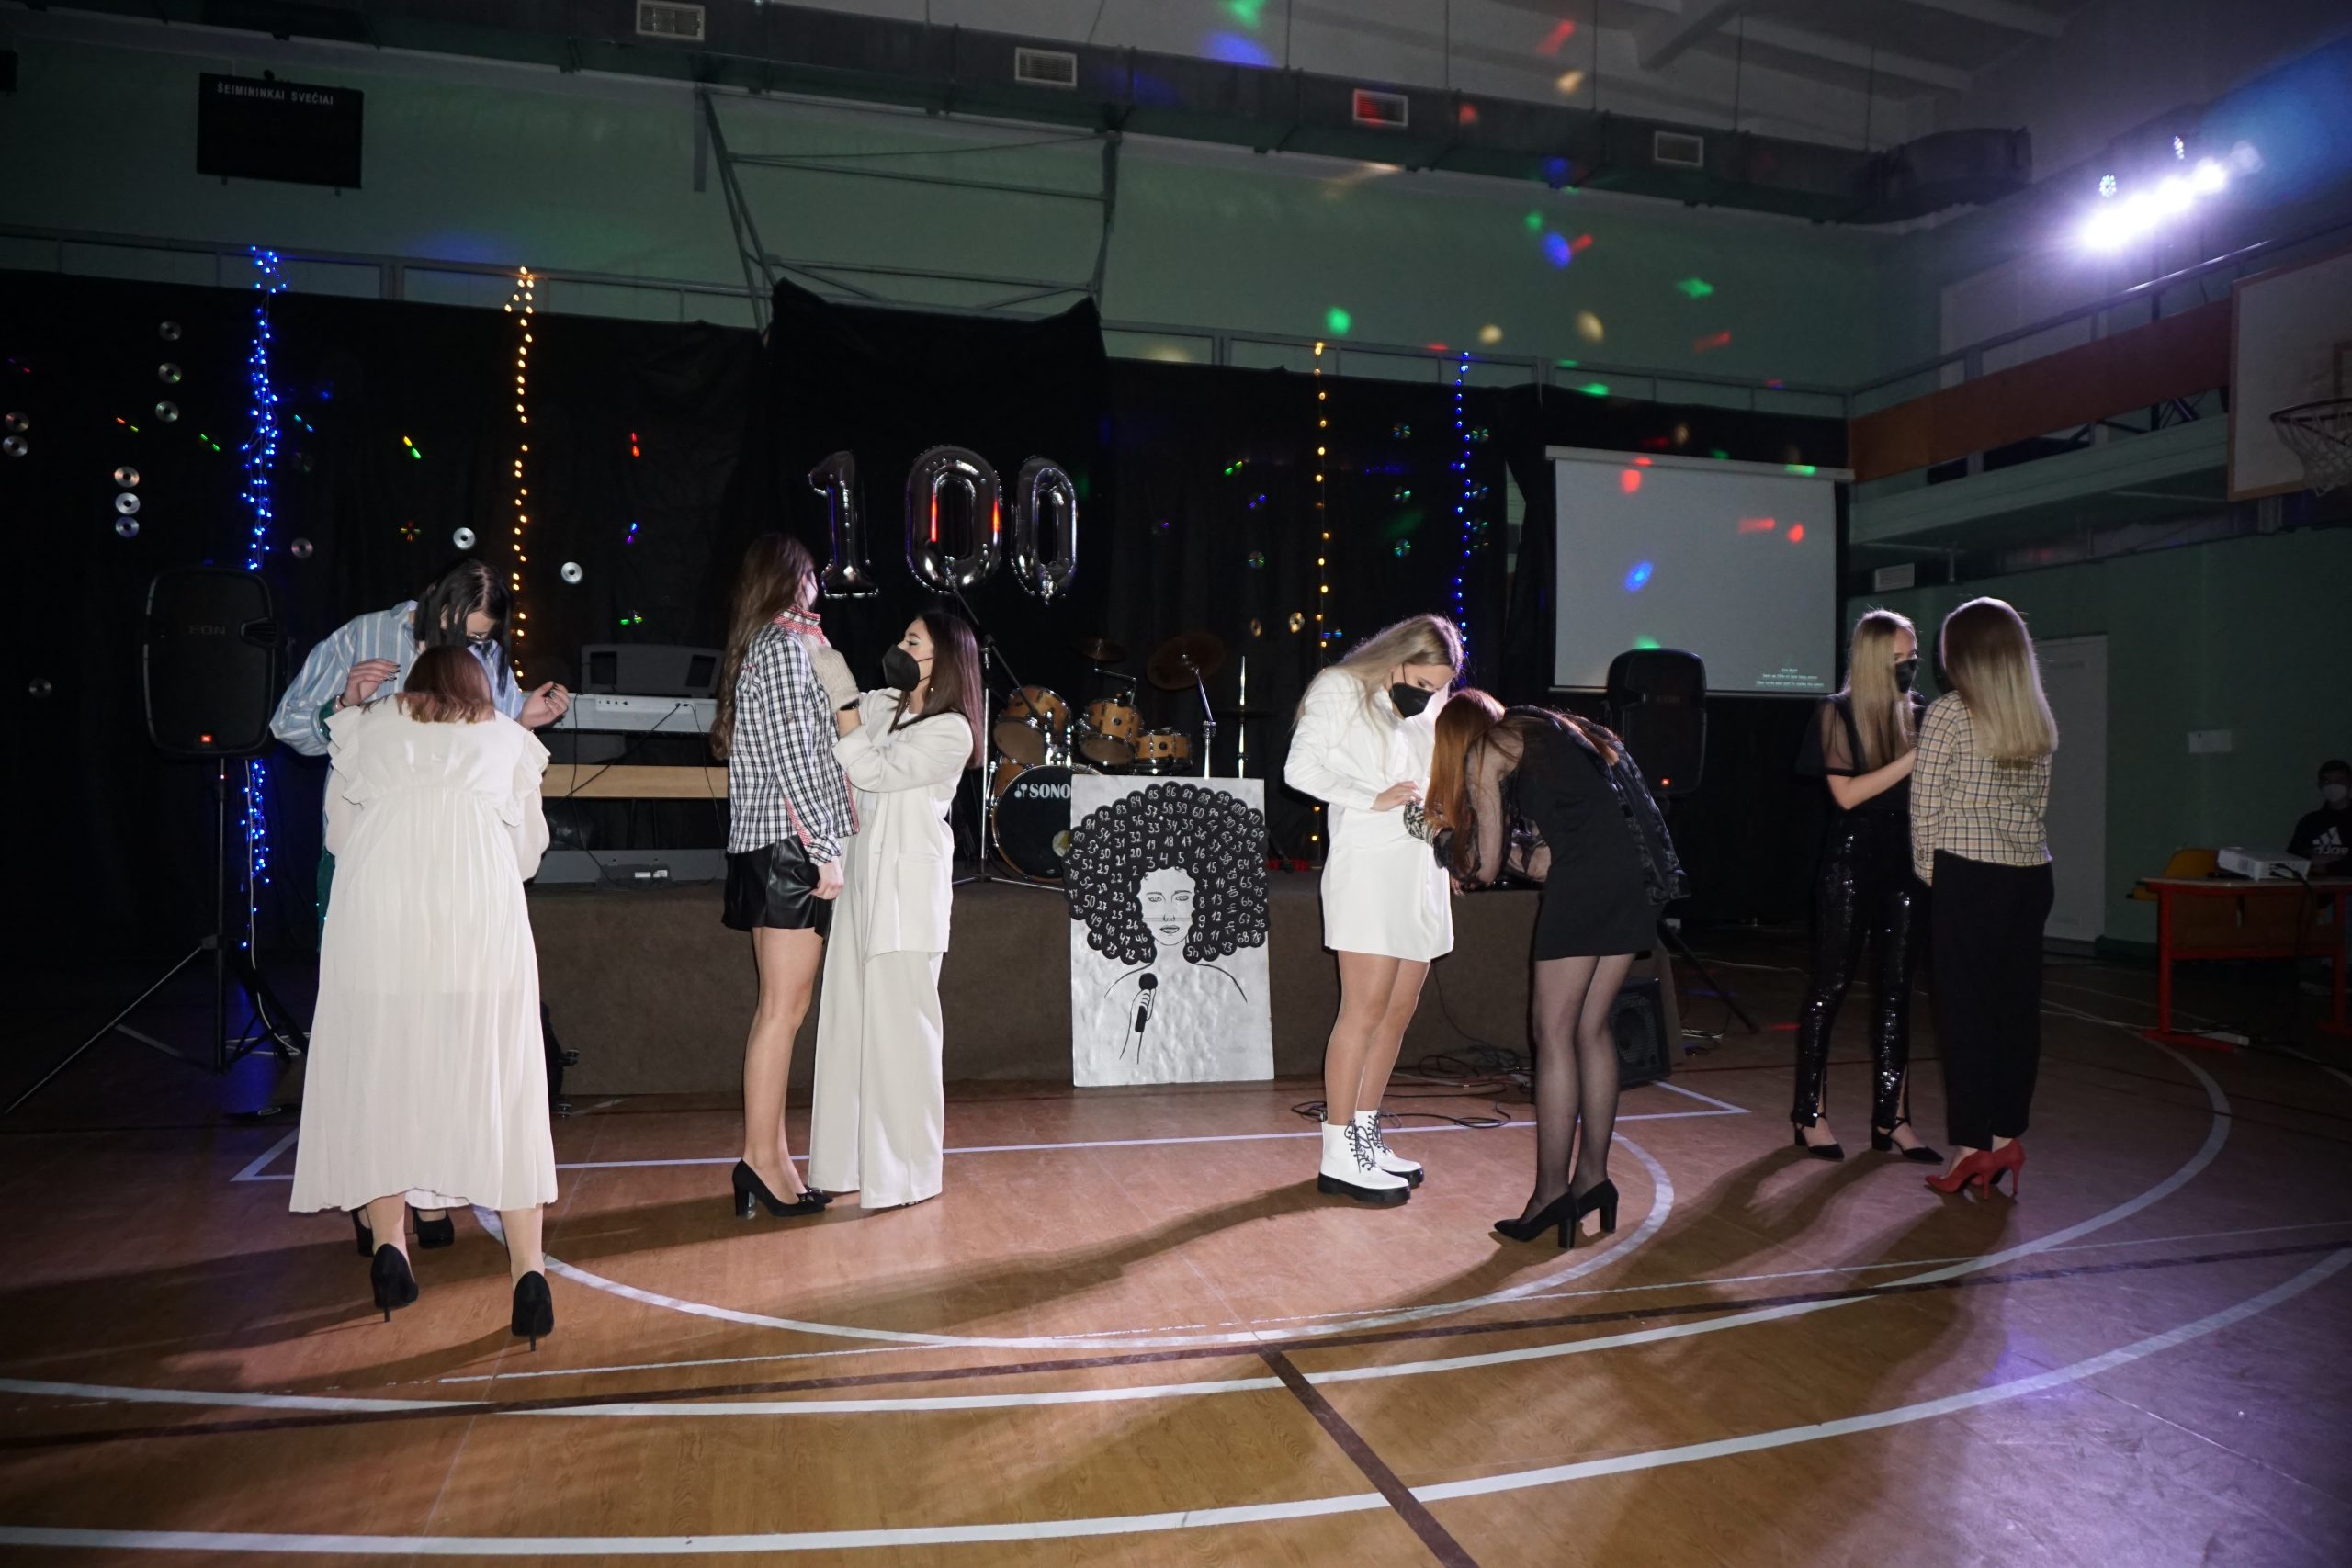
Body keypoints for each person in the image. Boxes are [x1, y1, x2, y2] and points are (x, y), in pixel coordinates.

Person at [272, 558, 571, 1250]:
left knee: (442, 1035)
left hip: (455, 874)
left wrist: (523, 718)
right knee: (385, 1033)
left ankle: (429, 1200)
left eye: (483, 638)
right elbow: (291, 726)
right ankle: (381, 1207)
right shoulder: (363, 636)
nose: (471, 646)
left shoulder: (481, 656)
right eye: (463, 631)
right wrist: (343, 704)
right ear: (435, 605)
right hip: (380, 864)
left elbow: (485, 742)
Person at [1426, 692, 1685, 1248]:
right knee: (1591, 1029)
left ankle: (1550, 1194)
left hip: (1587, 886)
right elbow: (1542, 862)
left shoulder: (1487, 750)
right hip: (1634, 884)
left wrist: (1438, 837)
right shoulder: (1562, 731)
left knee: (1553, 1034)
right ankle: (1592, 1179)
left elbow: (1483, 869)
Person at [1283, 614, 1464, 1204]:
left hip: (1420, 869)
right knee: (1362, 1011)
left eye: (1440, 688)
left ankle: (1365, 1134)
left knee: (1397, 1012)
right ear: (1398, 657)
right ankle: (1338, 1152)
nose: (1430, 695)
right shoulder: (1340, 687)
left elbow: (1431, 779)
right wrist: (1372, 796)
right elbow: (1300, 769)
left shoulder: (1429, 707)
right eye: (1424, 682)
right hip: (1367, 867)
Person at [808, 611, 983, 1211]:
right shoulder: (884, 705)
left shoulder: (953, 732)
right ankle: (844, 1164)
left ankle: (907, 1175)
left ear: (944, 660)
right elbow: (837, 740)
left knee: (903, 1037)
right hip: (861, 883)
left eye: (913, 641)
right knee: (848, 1027)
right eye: (903, 636)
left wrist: (844, 703)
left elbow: (873, 770)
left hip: (906, 899)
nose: (899, 647)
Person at [711, 534, 862, 1221]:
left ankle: (772, 1158)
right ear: (789, 579)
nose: (817, 586)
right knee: (781, 1010)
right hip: (788, 847)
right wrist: (824, 846)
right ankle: (760, 1160)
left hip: (779, 844)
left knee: (782, 1009)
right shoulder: (781, 647)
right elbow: (794, 758)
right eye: (809, 575)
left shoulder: (783, 645)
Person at [1912, 596, 2058, 1199]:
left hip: (1969, 873)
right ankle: (2004, 1136)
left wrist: (1931, 873)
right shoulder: (2034, 715)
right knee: (2015, 1013)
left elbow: (1926, 805)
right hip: (2030, 875)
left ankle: (1971, 1148)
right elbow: (2039, 805)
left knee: (1966, 1014)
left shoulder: (1949, 711)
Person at [1790, 609, 1939, 1166]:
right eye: (1898, 658)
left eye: (1912, 656)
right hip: (1852, 860)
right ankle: (1810, 1113)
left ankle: (1892, 1117)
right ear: (1874, 660)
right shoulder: (1837, 712)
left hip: (1908, 860)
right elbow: (1847, 795)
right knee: (1831, 986)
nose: (1909, 666)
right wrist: (1915, 757)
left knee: (1898, 990)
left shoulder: (1923, 713)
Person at [1065, 782, 1272, 1079]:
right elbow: (1112, 1068)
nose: (1169, 914)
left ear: (1204, 900)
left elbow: (1242, 1055)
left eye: (1182, 898)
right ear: (1131, 903)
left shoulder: (1225, 984)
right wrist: (1136, 1027)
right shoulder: (1121, 990)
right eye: (1154, 899)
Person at [2289, 760, 2350, 874]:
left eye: (2339, 781)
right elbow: (2292, 858)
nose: (2332, 786)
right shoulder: (2310, 821)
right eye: (2327, 781)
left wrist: (2327, 867)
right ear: (2320, 785)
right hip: (2313, 884)